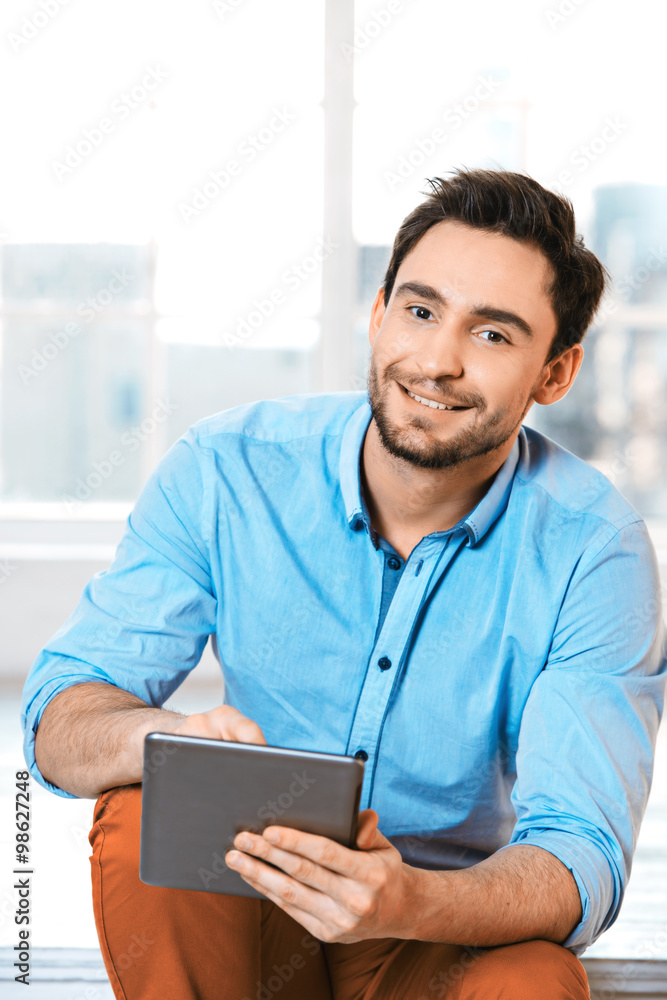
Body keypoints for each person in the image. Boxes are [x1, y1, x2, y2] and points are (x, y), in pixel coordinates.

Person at [22, 168, 666, 1000]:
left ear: (554, 373)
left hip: (429, 921)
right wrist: (158, 740)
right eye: (420, 310)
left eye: (493, 336)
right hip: (247, 895)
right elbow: (65, 711)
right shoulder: (227, 470)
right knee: (143, 804)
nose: (435, 361)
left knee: (535, 980)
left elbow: (580, 855)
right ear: (378, 312)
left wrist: (409, 900)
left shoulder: (595, 550)